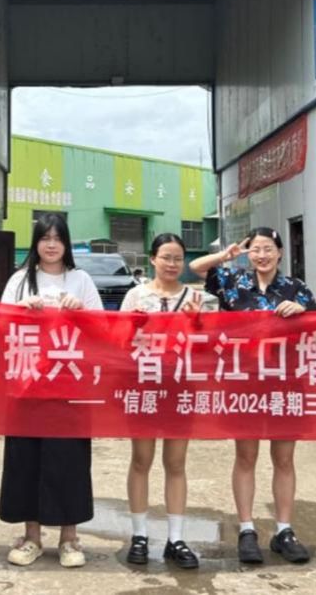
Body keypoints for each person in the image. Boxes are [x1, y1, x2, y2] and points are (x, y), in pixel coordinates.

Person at [189, 227, 316, 566]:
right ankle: (246, 529)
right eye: (256, 249)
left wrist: (302, 312)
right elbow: (196, 267)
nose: (262, 255)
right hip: (243, 383)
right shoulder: (233, 281)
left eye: (268, 248)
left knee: (284, 459)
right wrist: (225, 256)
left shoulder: (296, 288)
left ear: (280, 252)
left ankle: (284, 530)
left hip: (285, 384)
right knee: (246, 456)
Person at [0, 212, 103, 568]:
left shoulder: (81, 279)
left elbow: (102, 328)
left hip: (69, 386)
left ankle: (69, 539)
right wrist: (19, 309)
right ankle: (32, 537)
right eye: (45, 237)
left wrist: (81, 311)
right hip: (27, 385)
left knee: (69, 460)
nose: (52, 244)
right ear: (36, 242)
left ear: (66, 243)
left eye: (58, 238)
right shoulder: (19, 280)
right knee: (27, 459)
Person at [119, 232, 204, 570]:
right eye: (166, 257)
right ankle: (139, 535)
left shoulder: (196, 297)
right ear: (152, 259)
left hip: (181, 387)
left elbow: (207, 348)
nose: (172, 264)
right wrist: (132, 326)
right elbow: (118, 343)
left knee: (176, 462)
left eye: (178, 258)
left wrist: (197, 323)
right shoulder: (135, 296)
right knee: (141, 459)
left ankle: (176, 538)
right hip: (144, 386)